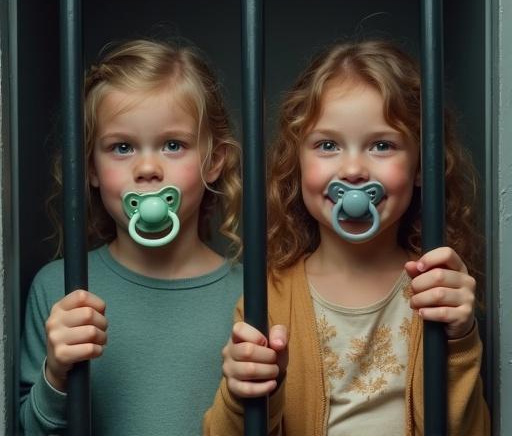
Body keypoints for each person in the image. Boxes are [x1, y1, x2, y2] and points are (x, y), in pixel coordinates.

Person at [204, 40, 490, 435]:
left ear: (422, 165)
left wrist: (458, 339)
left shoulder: (436, 289)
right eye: (327, 145)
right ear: (296, 163)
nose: (353, 169)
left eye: (381, 145)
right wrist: (243, 395)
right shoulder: (269, 298)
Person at [20, 39, 243, 435]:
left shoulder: (251, 294)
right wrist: (56, 374)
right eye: (121, 147)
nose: (147, 168)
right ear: (90, 167)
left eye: (173, 145)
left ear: (215, 160)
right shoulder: (58, 288)